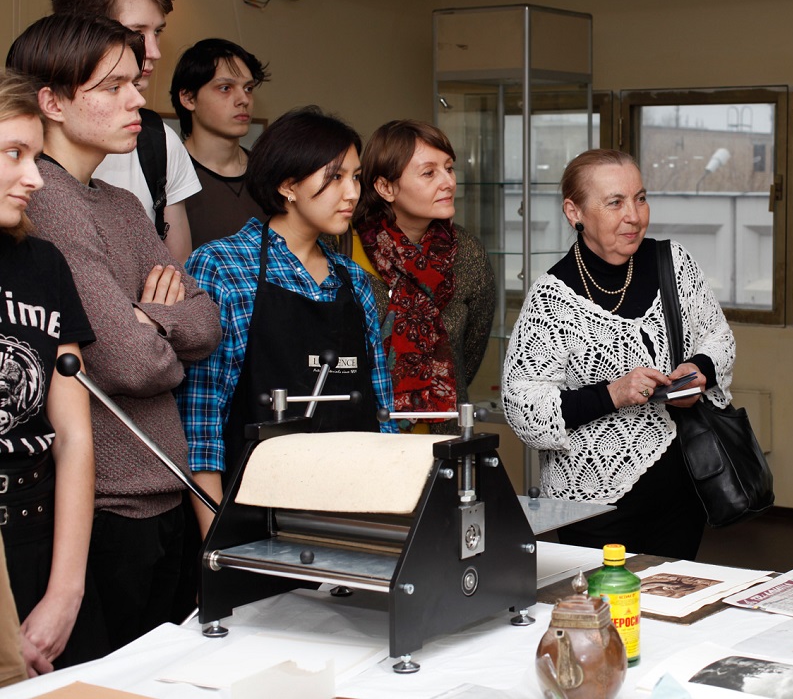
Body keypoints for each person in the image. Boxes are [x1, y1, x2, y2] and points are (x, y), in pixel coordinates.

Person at [7, 14, 222, 654]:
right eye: (113, 86)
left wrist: (148, 318)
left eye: (136, 83)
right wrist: (153, 332)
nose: (137, 101)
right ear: (52, 102)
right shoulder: (44, 202)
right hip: (102, 506)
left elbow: (208, 323)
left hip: (164, 487)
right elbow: (130, 363)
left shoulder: (121, 203)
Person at [501, 149, 735, 560]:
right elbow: (523, 404)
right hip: (593, 504)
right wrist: (613, 393)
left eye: (640, 198)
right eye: (615, 202)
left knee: (671, 597)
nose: (634, 216)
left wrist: (698, 370)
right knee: (606, 600)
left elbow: (718, 337)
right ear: (574, 212)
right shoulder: (551, 298)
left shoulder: (673, 262)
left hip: (683, 491)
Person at [178, 107, 397, 538]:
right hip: (253, 520)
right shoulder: (223, 266)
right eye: (334, 177)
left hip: (353, 514)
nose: (351, 193)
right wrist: (216, 544)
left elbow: (382, 414)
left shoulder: (353, 280)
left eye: (355, 177)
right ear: (287, 185)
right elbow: (201, 421)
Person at [0, 72, 101, 671]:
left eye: (36, 157)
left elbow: (74, 435)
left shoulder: (43, 263)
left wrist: (66, 592)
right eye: (13, 153)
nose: (35, 178)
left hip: (34, 532)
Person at [50, 0, 201, 262]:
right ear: (83, 32)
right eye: (136, 33)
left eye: (157, 32)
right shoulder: (18, 139)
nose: (154, 51)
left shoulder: (157, 140)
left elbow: (180, 278)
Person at [352, 120, 494, 433]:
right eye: (429, 173)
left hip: (443, 435)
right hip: (363, 436)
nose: (448, 182)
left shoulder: (467, 253)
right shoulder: (345, 250)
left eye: (449, 168)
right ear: (385, 187)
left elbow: (468, 355)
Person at [171, 39, 271, 248]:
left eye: (248, 88)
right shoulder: (167, 175)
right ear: (188, 98)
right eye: (225, 88)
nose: (243, 99)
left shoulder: (269, 174)